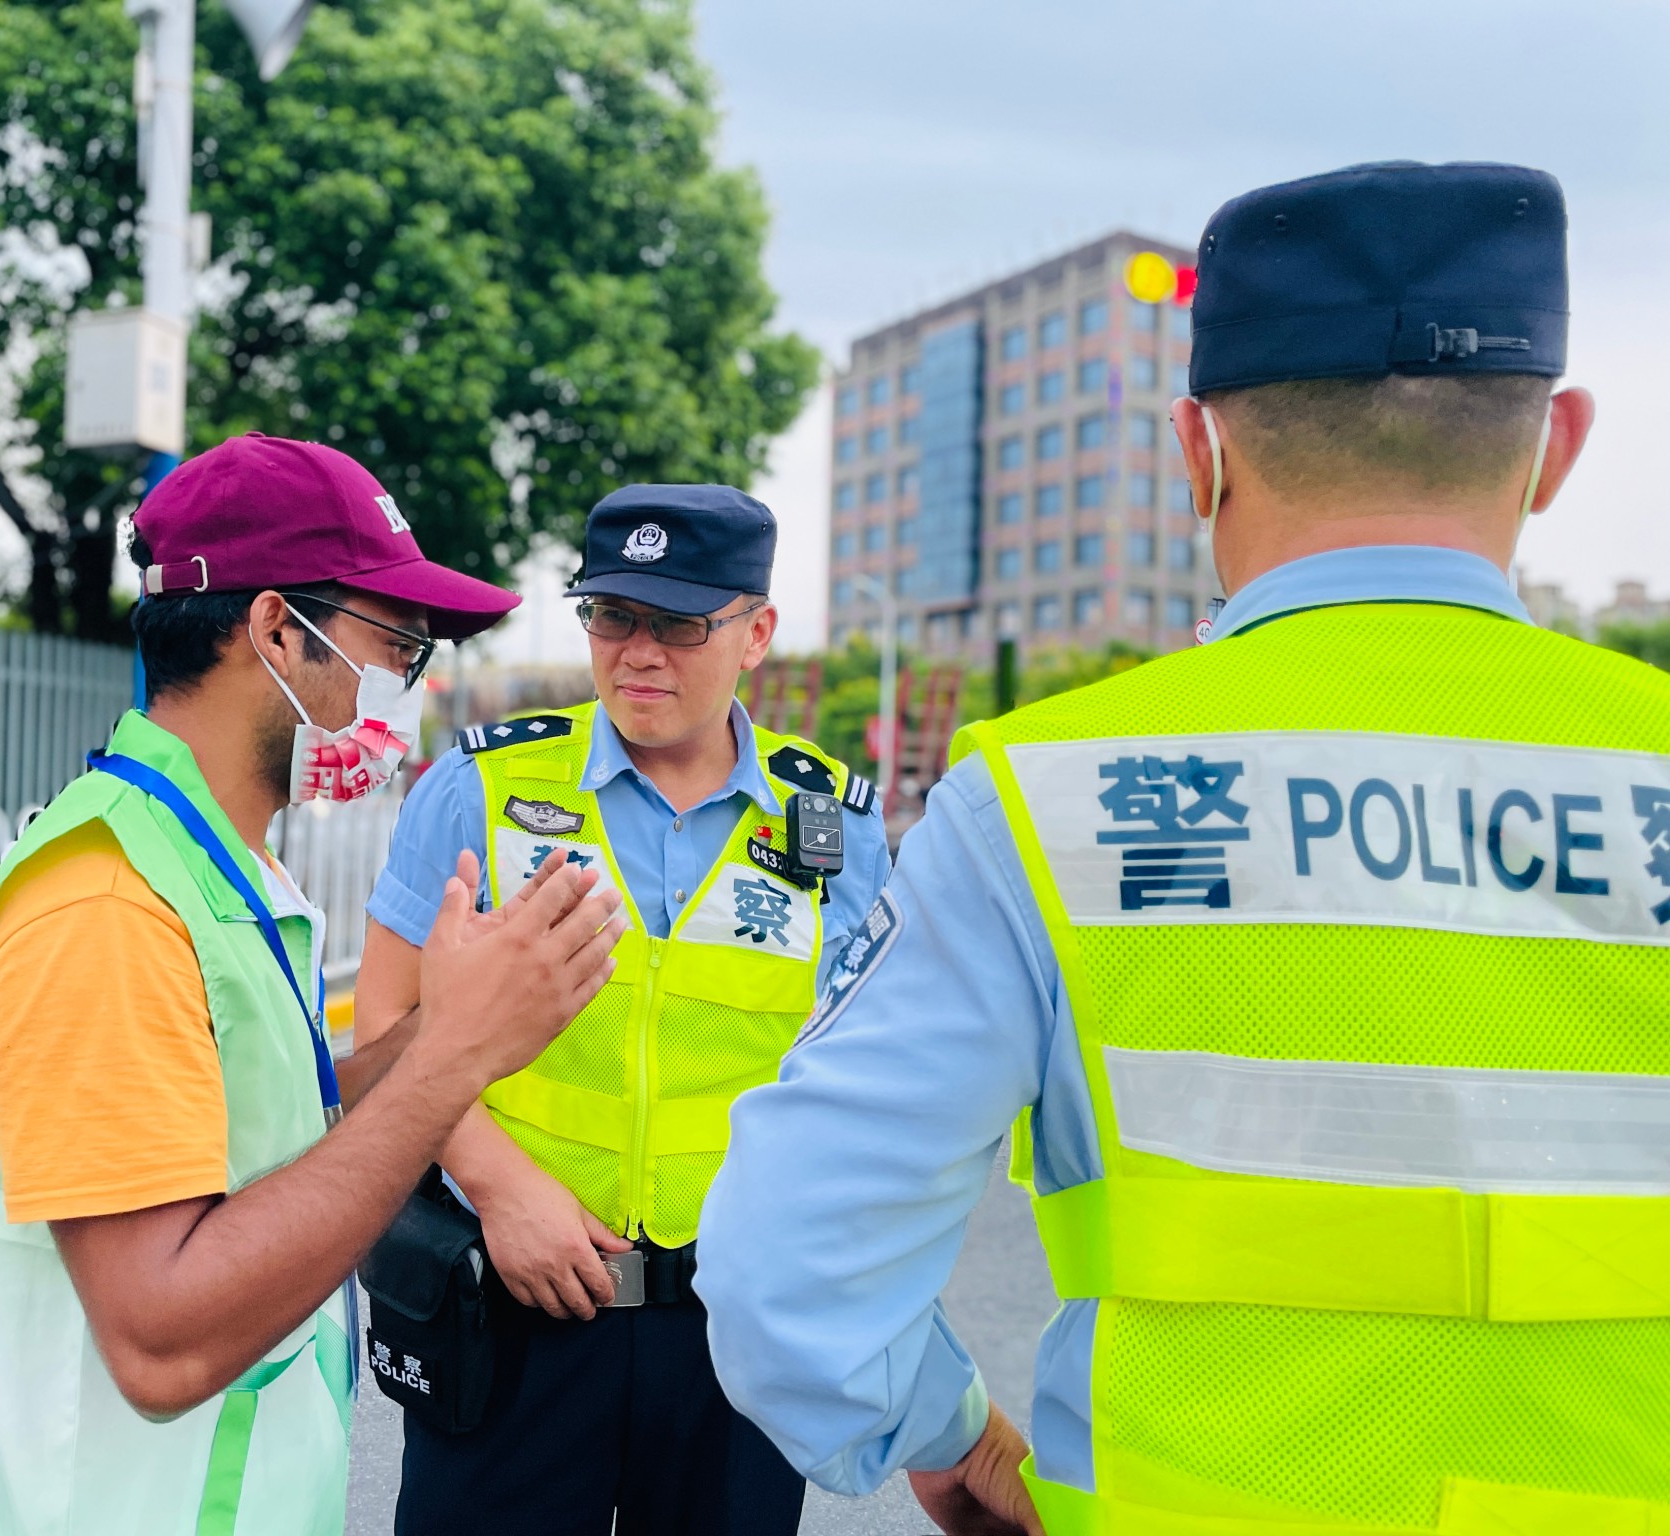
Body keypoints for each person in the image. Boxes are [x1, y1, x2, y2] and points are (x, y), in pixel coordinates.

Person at [697, 160, 1670, 1536]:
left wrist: (947, 1433)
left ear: (1196, 453)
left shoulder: (1044, 795)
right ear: (1556, 444)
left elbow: (788, 1266)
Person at [0, 434, 625, 1536]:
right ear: (275, 630)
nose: (409, 691)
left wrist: (453, 1022)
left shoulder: (218, 866)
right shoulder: (107, 903)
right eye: (396, 648)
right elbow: (160, 1339)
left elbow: (268, 1139)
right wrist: (454, 1061)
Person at [352, 484, 888, 1535]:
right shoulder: (479, 790)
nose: (638, 652)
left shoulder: (830, 827)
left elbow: (863, 1080)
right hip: (510, 1306)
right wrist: (501, 1189)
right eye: (612, 615)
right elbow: (380, 1038)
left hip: (732, 1331)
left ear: (755, 634)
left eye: (679, 624)